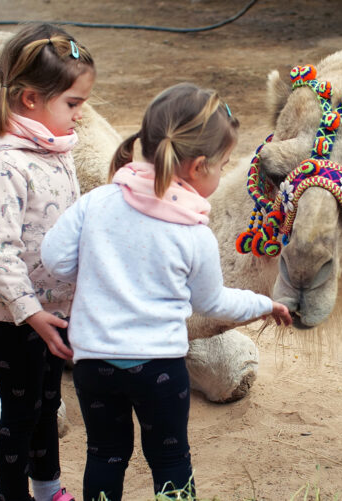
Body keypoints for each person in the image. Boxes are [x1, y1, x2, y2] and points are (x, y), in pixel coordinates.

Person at [41, 83, 292, 501]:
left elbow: (55, 260)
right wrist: (265, 304)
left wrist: (95, 275)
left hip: (94, 363)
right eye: (223, 164)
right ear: (197, 167)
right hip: (157, 367)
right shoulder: (192, 232)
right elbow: (212, 303)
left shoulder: (97, 202)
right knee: (171, 459)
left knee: (104, 455)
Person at [0, 22, 95, 501]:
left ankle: (48, 492)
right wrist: (32, 314)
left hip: (51, 310)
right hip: (10, 316)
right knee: (19, 414)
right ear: (29, 100)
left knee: (48, 402)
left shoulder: (54, 149)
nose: (80, 115)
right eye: (73, 104)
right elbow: (0, 251)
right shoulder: (2, 165)